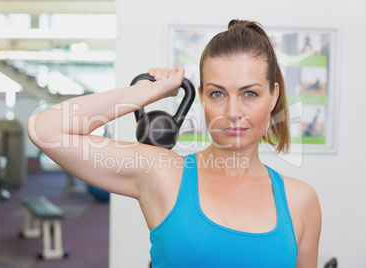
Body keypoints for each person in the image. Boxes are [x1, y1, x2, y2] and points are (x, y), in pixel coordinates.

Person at [27, 19, 321, 267]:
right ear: (202, 96)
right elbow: (45, 129)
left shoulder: (301, 201)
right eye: (218, 94)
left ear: (273, 96)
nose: (232, 113)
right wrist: (146, 93)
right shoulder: (162, 173)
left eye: (250, 94)